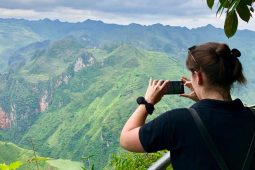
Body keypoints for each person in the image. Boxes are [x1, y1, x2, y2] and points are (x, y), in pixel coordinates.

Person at [119, 42, 255, 170]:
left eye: (191, 73)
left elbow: (126, 139)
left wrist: (148, 102)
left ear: (198, 76)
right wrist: (202, 101)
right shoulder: (251, 116)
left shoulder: (178, 121)